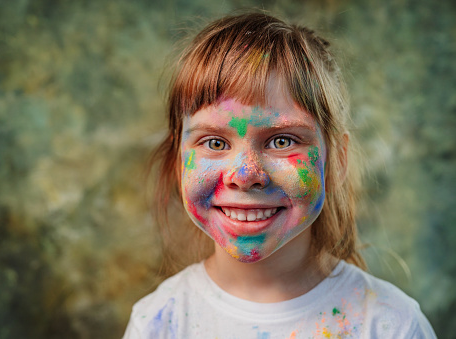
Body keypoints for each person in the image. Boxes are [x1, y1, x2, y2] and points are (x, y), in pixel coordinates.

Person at [123, 12, 436, 339]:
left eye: (282, 141)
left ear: (338, 161)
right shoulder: (159, 323)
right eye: (215, 142)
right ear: (178, 161)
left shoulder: (392, 325)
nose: (245, 175)